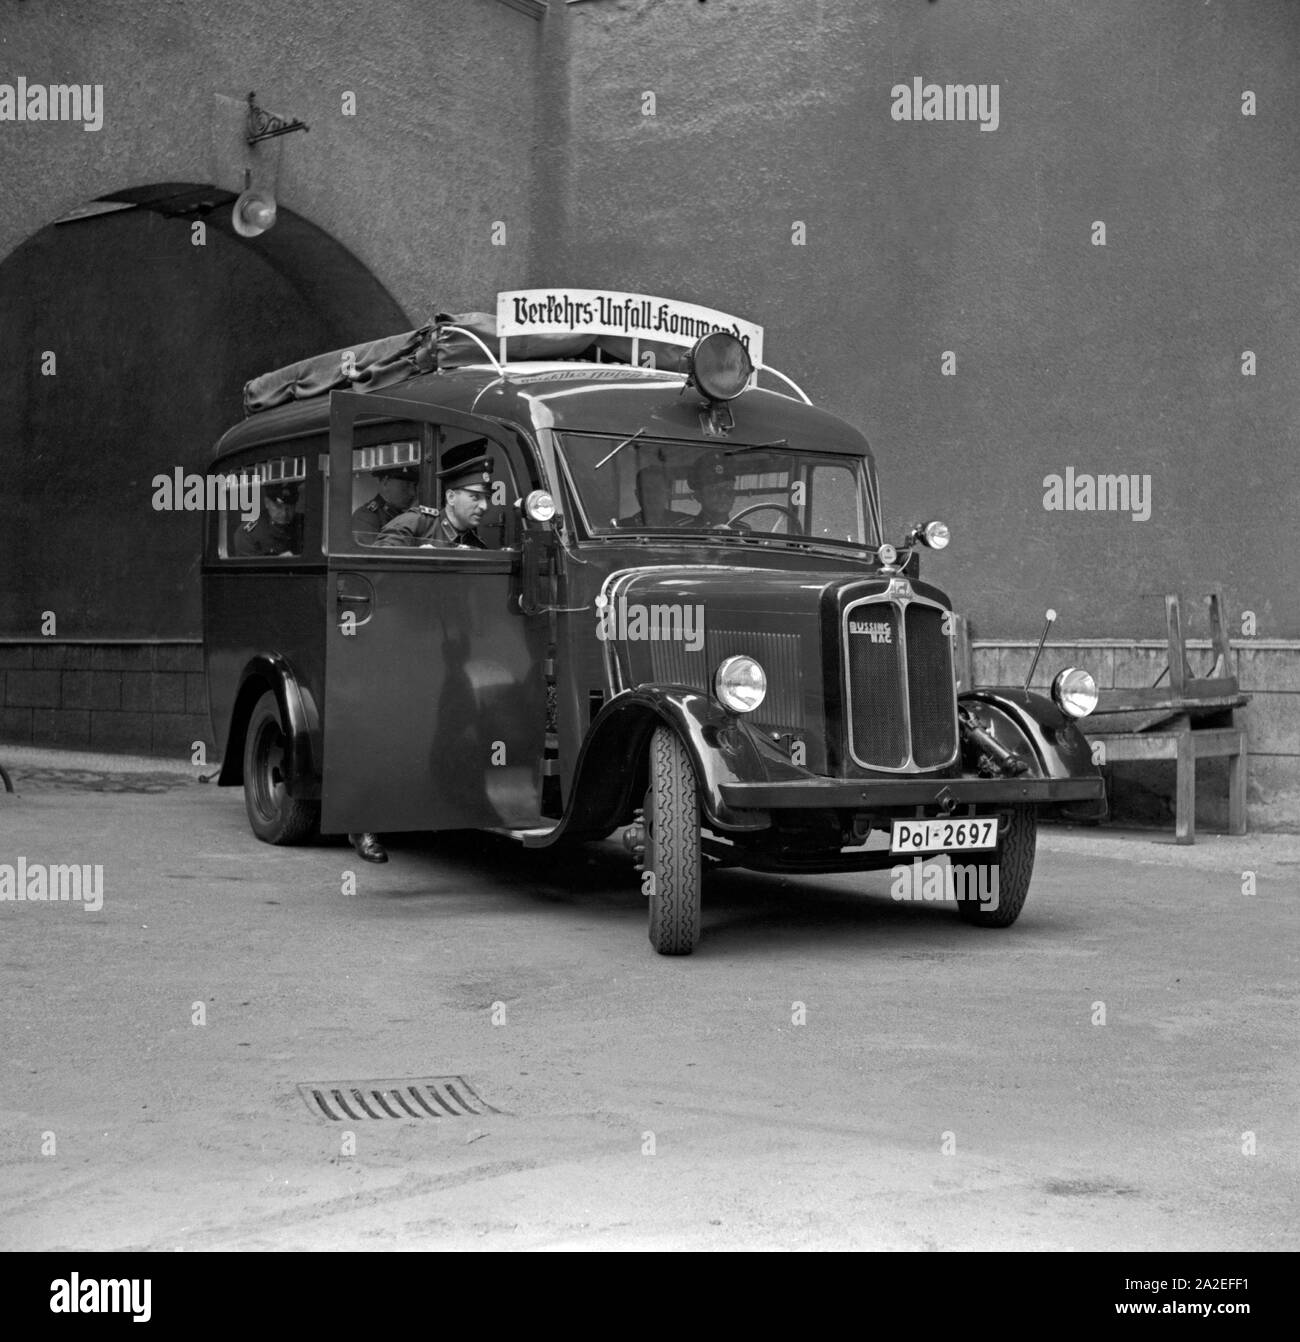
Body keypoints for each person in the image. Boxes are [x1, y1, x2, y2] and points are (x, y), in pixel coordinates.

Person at [372, 440, 493, 548]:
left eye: (487, 498)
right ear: (451, 497)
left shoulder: (476, 546)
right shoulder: (415, 525)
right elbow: (375, 564)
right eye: (475, 497)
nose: (484, 506)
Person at [351, 463, 418, 543]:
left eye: (414, 486)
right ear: (385, 483)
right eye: (406, 486)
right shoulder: (365, 517)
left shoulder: (404, 514)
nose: (412, 493)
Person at [234, 481, 303, 556]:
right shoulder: (249, 533)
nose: (284, 513)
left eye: (289, 507)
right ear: (267, 503)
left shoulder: (305, 524)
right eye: (278, 507)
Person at [685, 454, 750, 531]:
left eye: (728, 488)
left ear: (734, 495)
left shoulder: (743, 530)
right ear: (698, 496)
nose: (723, 495)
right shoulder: (686, 530)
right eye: (713, 489)